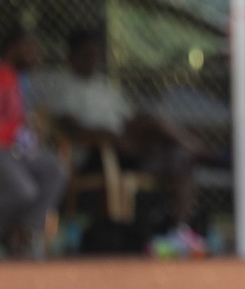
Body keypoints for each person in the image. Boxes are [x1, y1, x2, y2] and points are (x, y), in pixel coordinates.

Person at [37, 28, 207, 257]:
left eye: (95, 54)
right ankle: (205, 151)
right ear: (71, 56)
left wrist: (132, 139)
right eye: (86, 54)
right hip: (96, 155)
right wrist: (108, 137)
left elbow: (128, 118)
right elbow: (70, 128)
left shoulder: (105, 86)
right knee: (151, 120)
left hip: (129, 151)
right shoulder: (64, 87)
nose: (92, 59)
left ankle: (179, 232)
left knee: (180, 157)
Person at [0, 27, 66, 258]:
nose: (35, 55)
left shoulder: (17, 80)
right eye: (29, 49)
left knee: (54, 169)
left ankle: (27, 232)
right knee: (25, 191)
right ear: (13, 49)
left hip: (14, 153)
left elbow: (18, 127)